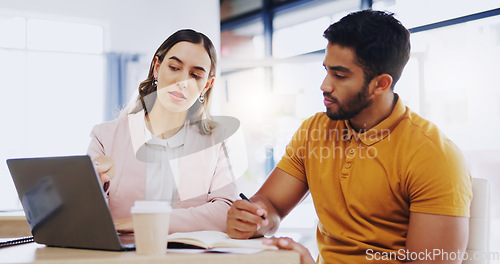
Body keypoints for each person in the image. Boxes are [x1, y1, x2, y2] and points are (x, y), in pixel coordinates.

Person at [226, 10, 472, 264]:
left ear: (381, 84)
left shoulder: (433, 155)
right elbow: (271, 205)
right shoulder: (315, 131)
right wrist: (255, 218)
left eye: (340, 75)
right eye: (327, 70)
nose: (324, 85)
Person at [87, 29, 246, 234]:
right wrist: (93, 189)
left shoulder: (217, 142)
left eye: (196, 75)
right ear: (157, 67)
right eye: (174, 67)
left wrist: (143, 222)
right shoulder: (105, 137)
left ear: (207, 85)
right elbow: (85, 210)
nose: (183, 82)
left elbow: (227, 210)